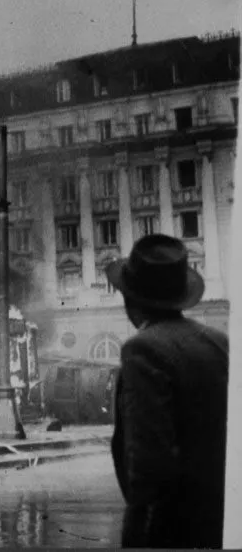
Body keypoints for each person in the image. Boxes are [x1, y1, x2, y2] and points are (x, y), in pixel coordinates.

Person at [105, 233, 228, 549]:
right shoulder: (220, 342)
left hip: (173, 530)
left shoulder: (143, 349)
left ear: (130, 300)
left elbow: (149, 468)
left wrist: (136, 540)